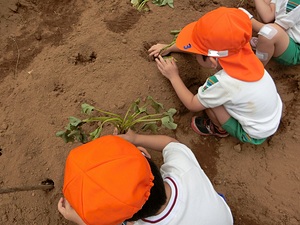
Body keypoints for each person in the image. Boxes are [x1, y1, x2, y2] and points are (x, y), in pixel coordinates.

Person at [148, 7, 283, 145]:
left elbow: (192, 105)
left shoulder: (221, 83)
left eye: (196, 54)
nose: (195, 54)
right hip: (271, 116)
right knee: (216, 97)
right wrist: (170, 47)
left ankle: (219, 128)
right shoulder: (243, 49)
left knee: (211, 103)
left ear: (212, 60)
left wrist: (173, 76)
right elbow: (208, 50)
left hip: (254, 133)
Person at [58, 130, 234, 225]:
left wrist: (77, 219)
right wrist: (135, 138)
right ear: (144, 154)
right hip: (222, 218)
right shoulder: (182, 168)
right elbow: (170, 143)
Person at [245, 0, 300, 66]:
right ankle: (264, 45)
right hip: (282, 32)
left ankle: (256, 68)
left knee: (268, 33)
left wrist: (247, 18)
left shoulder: (295, 3)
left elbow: (272, 31)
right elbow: (267, 17)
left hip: (295, 48)